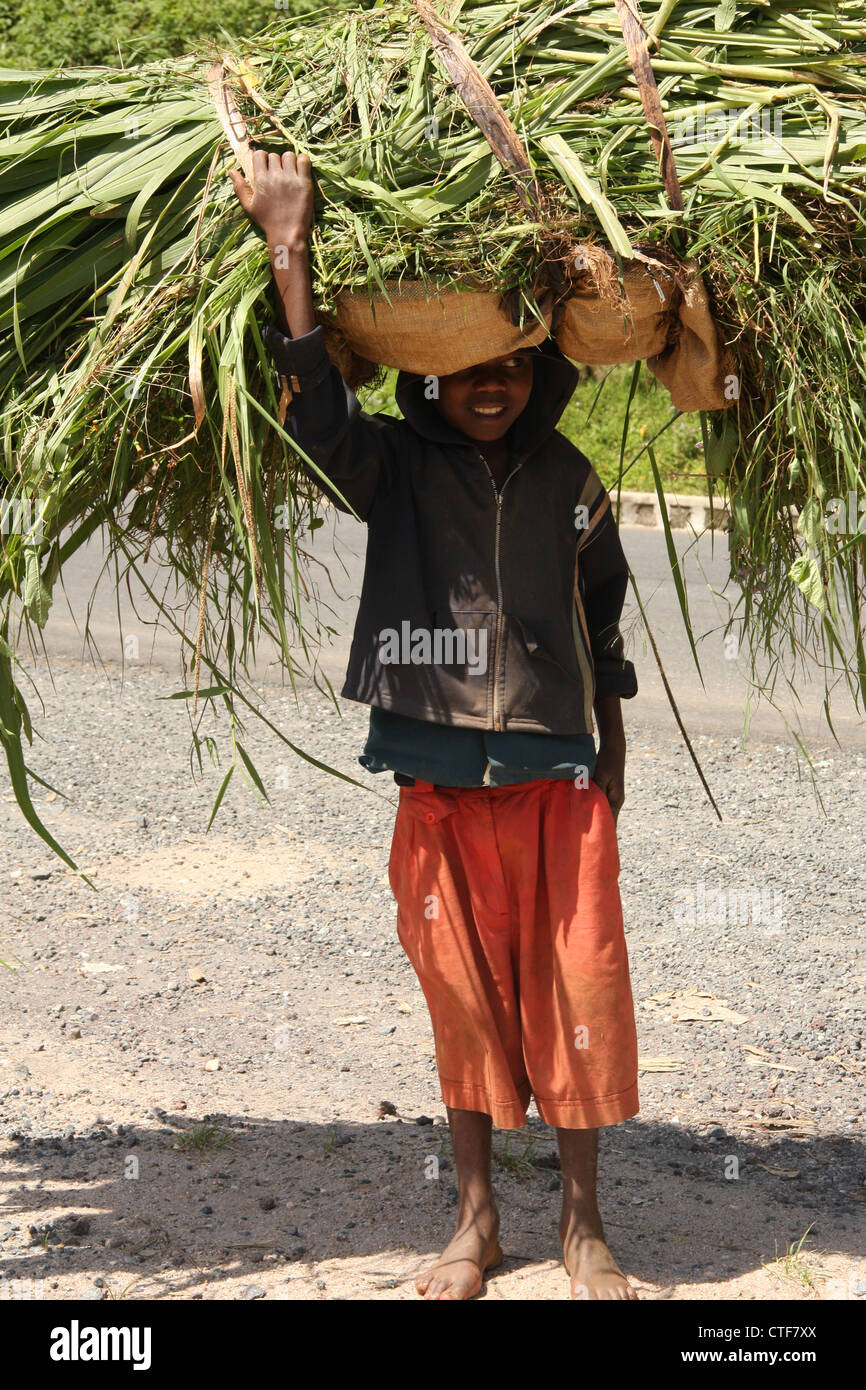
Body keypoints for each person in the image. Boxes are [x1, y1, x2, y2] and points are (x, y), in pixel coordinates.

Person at [230, 149, 641, 1301]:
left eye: (511, 365)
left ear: (534, 374)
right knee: (460, 999)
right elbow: (314, 408)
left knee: (577, 994)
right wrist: (288, 243)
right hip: (436, 779)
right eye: (468, 372)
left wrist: (610, 746)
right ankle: (474, 1223)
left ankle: (582, 1228)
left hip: (556, 779)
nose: (492, 384)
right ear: (433, 382)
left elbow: (599, 614)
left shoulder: (572, 477)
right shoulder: (395, 469)